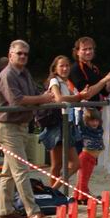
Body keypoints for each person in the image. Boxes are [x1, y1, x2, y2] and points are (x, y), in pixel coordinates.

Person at [0, 40, 53, 218]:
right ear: (10, 54)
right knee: (21, 170)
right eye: (19, 53)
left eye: (25, 54)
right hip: (8, 128)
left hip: (21, 126)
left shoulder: (25, 73)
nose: (23, 56)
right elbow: (16, 100)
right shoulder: (7, 75)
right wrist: (43, 98)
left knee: (9, 172)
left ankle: (5, 210)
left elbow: (35, 93)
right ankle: (32, 211)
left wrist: (46, 96)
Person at [38, 55, 88, 190]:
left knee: (72, 164)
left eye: (67, 66)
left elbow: (78, 98)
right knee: (58, 164)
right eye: (62, 66)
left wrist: (81, 95)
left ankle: (53, 190)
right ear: (55, 68)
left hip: (68, 124)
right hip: (57, 125)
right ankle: (52, 192)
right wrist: (78, 96)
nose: (65, 68)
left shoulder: (67, 83)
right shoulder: (54, 81)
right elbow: (59, 99)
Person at [68, 36, 110, 101]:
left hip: (95, 106)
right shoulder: (75, 68)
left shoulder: (94, 68)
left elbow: (106, 91)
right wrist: (105, 79)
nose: (88, 52)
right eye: (84, 49)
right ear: (77, 52)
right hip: (81, 106)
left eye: (90, 48)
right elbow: (87, 94)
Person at [75, 108, 103, 204]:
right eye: (91, 121)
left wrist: (101, 109)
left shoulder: (99, 129)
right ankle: (84, 197)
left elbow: (100, 117)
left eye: (96, 121)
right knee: (83, 178)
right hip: (85, 157)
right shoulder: (86, 130)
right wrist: (80, 110)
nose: (94, 123)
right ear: (87, 121)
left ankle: (77, 196)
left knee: (83, 178)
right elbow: (80, 123)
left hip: (92, 158)